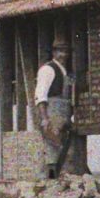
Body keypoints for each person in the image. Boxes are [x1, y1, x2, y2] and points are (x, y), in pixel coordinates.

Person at [34, 40, 76, 177]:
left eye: (66, 52)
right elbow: (40, 95)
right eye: (60, 51)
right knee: (52, 149)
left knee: (66, 151)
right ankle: (49, 180)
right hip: (52, 115)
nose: (63, 55)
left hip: (64, 116)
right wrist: (45, 118)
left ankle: (61, 180)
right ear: (54, 53)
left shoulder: (66, 73)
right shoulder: (48, 69)